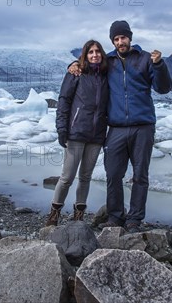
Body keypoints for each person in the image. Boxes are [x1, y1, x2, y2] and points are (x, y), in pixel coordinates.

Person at [70, 20, 172, 233]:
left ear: (130, 37)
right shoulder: (108, 62)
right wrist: (72, 64)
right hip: (116, 127)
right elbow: (89, 64)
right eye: (116, 39)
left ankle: (135, 218)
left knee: (140, 175)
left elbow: (163, 88)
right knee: (113, 174)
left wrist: (159, 65)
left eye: (122, 38)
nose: (120, 42)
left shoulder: (145, 59)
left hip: (143, 126)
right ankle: (116, 216)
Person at [46, 39, 109, 226]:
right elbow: (64, 101)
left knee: (85, 177)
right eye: (90, 52)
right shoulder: (77, 73)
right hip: (76, 132)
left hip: (96, 136)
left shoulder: (106, 75)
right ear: (85, 55)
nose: (95, 55)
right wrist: (61, 129)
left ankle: (78, 216)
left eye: (98, 51)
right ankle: (54, 214)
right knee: (67, 178)